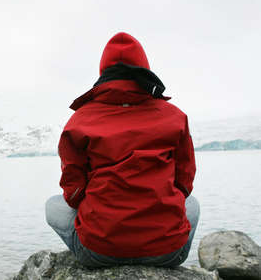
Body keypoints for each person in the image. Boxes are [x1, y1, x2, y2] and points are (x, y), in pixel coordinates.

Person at [45, 32, 199, 268]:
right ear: (145, 68)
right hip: (167, 252)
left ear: (103, 73)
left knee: (53, 206)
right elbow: (184, 183)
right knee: (193, 205)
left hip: (98, 252)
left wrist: (102, 212)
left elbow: (73, 192)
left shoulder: (80, 120)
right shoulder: (175, 117)